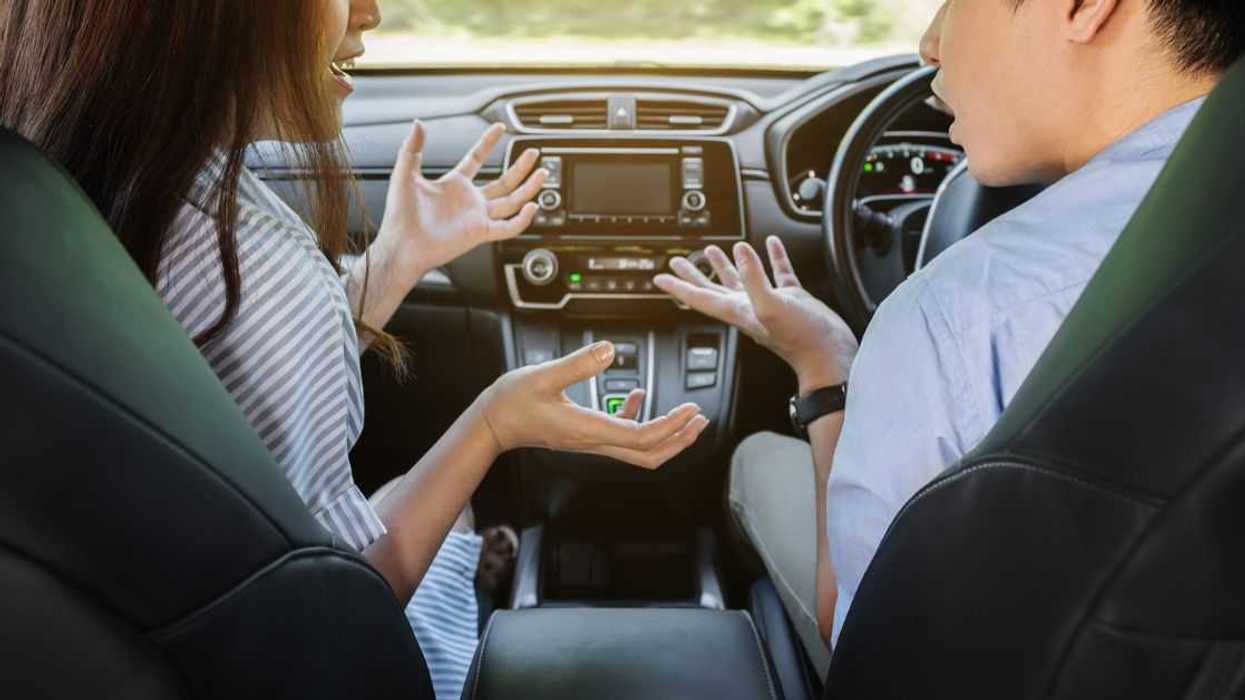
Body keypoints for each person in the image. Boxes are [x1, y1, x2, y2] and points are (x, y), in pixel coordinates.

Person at [0, 1, 709, 698]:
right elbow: (343, 604)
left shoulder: (71, 177)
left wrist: (397, 258)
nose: (369, 12)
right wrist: (495, 423)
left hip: (148, 629)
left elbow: (217, 382)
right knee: (454, 515)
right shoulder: (247, 262)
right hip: (313, 654)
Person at [655, 0, 1244, 674]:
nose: (930, 43)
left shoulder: (956, 316)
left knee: (757, 460)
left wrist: (825, 369)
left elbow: (863, 626)